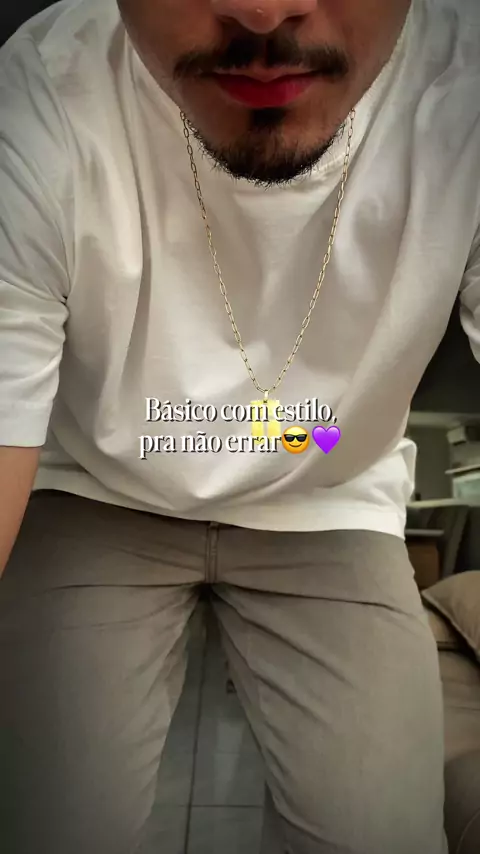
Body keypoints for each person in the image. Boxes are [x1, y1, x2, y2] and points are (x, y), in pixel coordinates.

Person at [0, 0, 479, 851]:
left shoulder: (465, 95)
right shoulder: (43, 92)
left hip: (330, 502)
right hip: (96, 492)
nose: (262, 11)